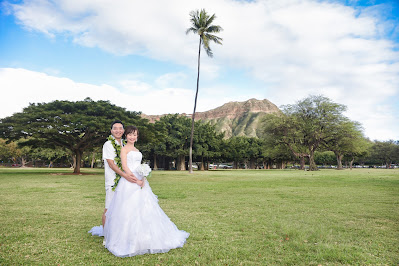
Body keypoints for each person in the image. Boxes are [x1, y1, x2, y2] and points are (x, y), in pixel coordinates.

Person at [104, 125, 189, 257]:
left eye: (135, 134)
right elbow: (125, 166)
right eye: (130, 134)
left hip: (141, 181)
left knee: (145, 209)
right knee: (128, 210)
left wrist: (143, 177)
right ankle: (128, 241)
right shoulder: (124, 149)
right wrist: (134, 179)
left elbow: (140, 166)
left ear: (137, 137)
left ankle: (145, 238)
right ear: (126, 136)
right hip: (129, 182)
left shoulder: (137, 149)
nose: (132, 136)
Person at [89, 120, 139, 237]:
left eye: (120, 128)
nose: (118, 130)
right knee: (109, 208)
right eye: (115, 128)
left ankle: (118, 232)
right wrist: (125, 175)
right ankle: (107, 235)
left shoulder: (123, 143)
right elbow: (111, 164)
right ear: (111, 131)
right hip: (113, 180)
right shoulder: (108, 144)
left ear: (123, 131)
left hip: (124, 181)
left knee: (121, 207)